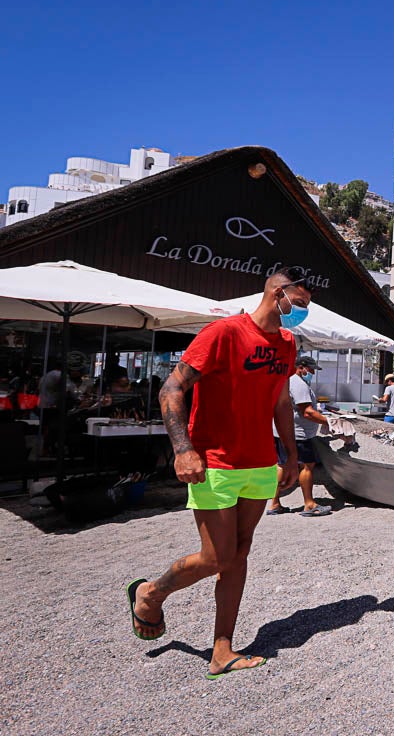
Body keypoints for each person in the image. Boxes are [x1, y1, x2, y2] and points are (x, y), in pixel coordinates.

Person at [126, 266, 309, 679]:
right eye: (299, 303)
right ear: (278, 292)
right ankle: (150, 593)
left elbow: (280, 401)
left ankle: (222, 649)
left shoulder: (287, 343)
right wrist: (182, 449)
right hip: (216, 462)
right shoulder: (224, 333)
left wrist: (291, 456)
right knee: (215, 556)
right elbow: (171, 388)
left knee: (239, 555)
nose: (301, 312)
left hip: (260, 462)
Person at [267, 355, 331, 517]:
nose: (312, 373)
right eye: (310, 370)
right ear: (301, 367)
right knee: (307, 466)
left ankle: (274, 504)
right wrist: (328, 422)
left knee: (281, 465)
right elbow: (307, 412)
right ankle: (309, 504)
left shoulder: (287, 381)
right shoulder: (298, 383)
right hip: (299, 434)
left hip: (282, 431)